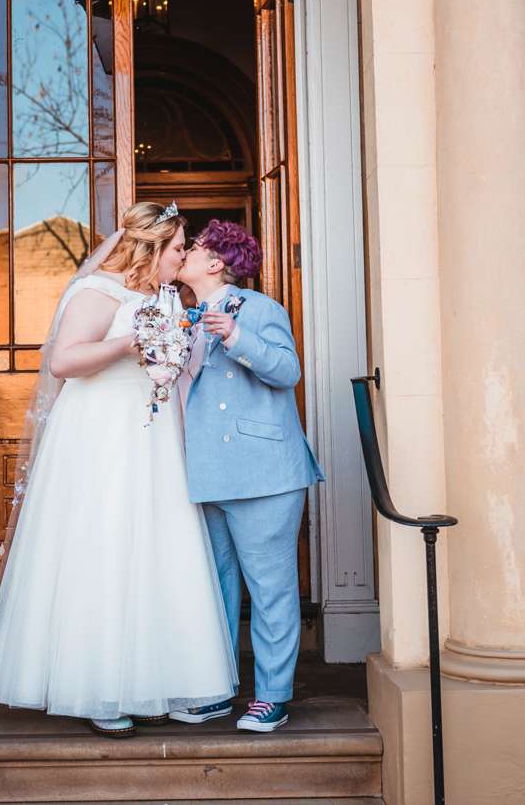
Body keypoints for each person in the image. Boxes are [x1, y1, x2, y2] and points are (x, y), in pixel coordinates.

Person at [0, 201, 238, 738]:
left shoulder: (162, 297)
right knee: (105, 546)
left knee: (153, 550)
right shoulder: (98, 291)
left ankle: (145, 682)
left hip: (152, 436)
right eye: (178, 248)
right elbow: (63, 361)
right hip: (101, 434)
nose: (182, 257)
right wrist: (128, 343)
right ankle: (96, 687)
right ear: (152, 248)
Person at [169, 219, 323, 733]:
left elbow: (287, 371)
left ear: (216, 262)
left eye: (194, 247)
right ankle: (216, 691)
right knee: (214, 589)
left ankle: (272, 696)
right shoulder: (179, 316)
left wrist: (236, 335)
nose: (185, 253)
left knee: (270, 589)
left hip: (264, 473)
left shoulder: (260, 309)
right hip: (204, 471)